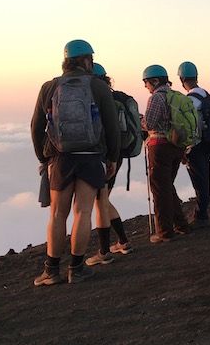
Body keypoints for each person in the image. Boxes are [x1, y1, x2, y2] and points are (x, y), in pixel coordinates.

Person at [31, 40, 119, 285]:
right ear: (87, 61)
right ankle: (77, 269)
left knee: (58, 214)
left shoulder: (49, 87)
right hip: (91, 157)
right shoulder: (98, 86)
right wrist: (112, 157)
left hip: (60, 158)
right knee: (83, 211)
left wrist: (43, 158)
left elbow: (36, 126)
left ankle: (51, 271)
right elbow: (111, 127)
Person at [85, 63, 134, 266]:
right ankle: (122, 242)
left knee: (101, 200)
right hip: (116, 154)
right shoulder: (114, 98)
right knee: (102, 200)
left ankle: (105, 251)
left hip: (104, 156)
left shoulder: (98, 100)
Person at [142, 64, 191, 242]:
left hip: (159, 146)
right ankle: (181, 224)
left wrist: (141, 121)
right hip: (176, 146)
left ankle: (165, 232)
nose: (146, 86)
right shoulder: (174, 96)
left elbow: (150, 123)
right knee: (167, 186)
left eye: (146, 82)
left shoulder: (157, 98)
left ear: (154, 81)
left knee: (160, 189)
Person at [178, 62, 210, 228]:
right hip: (207, 142)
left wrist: (184, 148)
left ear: (182, 79)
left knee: (199, 180)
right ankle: (203, 211)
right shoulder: (205, 95)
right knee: (205, 176)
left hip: (196, 145)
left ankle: (202, 215)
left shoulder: (190, 100)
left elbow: (187, 125)